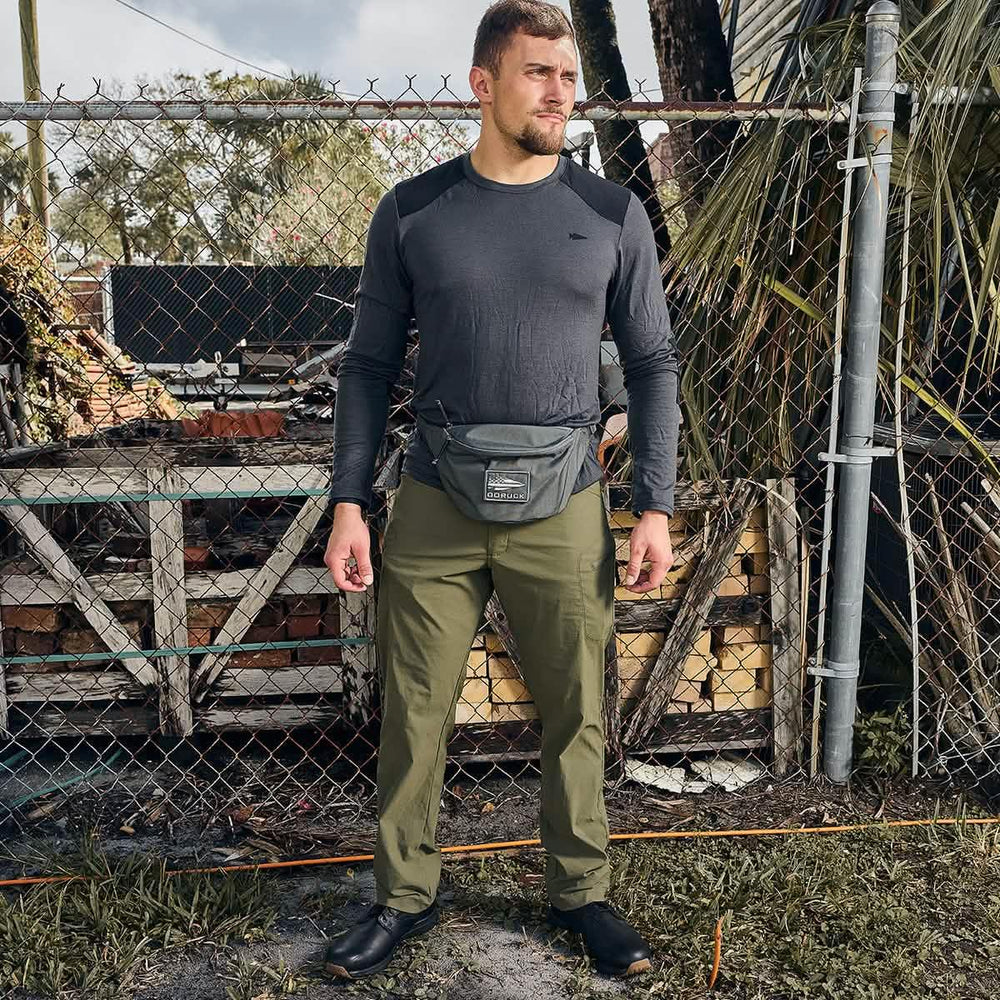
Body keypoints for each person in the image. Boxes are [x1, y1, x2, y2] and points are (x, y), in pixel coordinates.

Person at [322, 0, 680, 981]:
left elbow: (650, 363)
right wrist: (350, 500)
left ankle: (581, 893)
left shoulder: (610, 214)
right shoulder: (413, 210)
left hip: (565, 500)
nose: (560, 92)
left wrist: (653, 501)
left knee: (575, 710)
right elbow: (365, 366)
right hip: (435, 496)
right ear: (483, 83)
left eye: (568, 76)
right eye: (539, 74)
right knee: (414, 709)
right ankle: (403, 890)